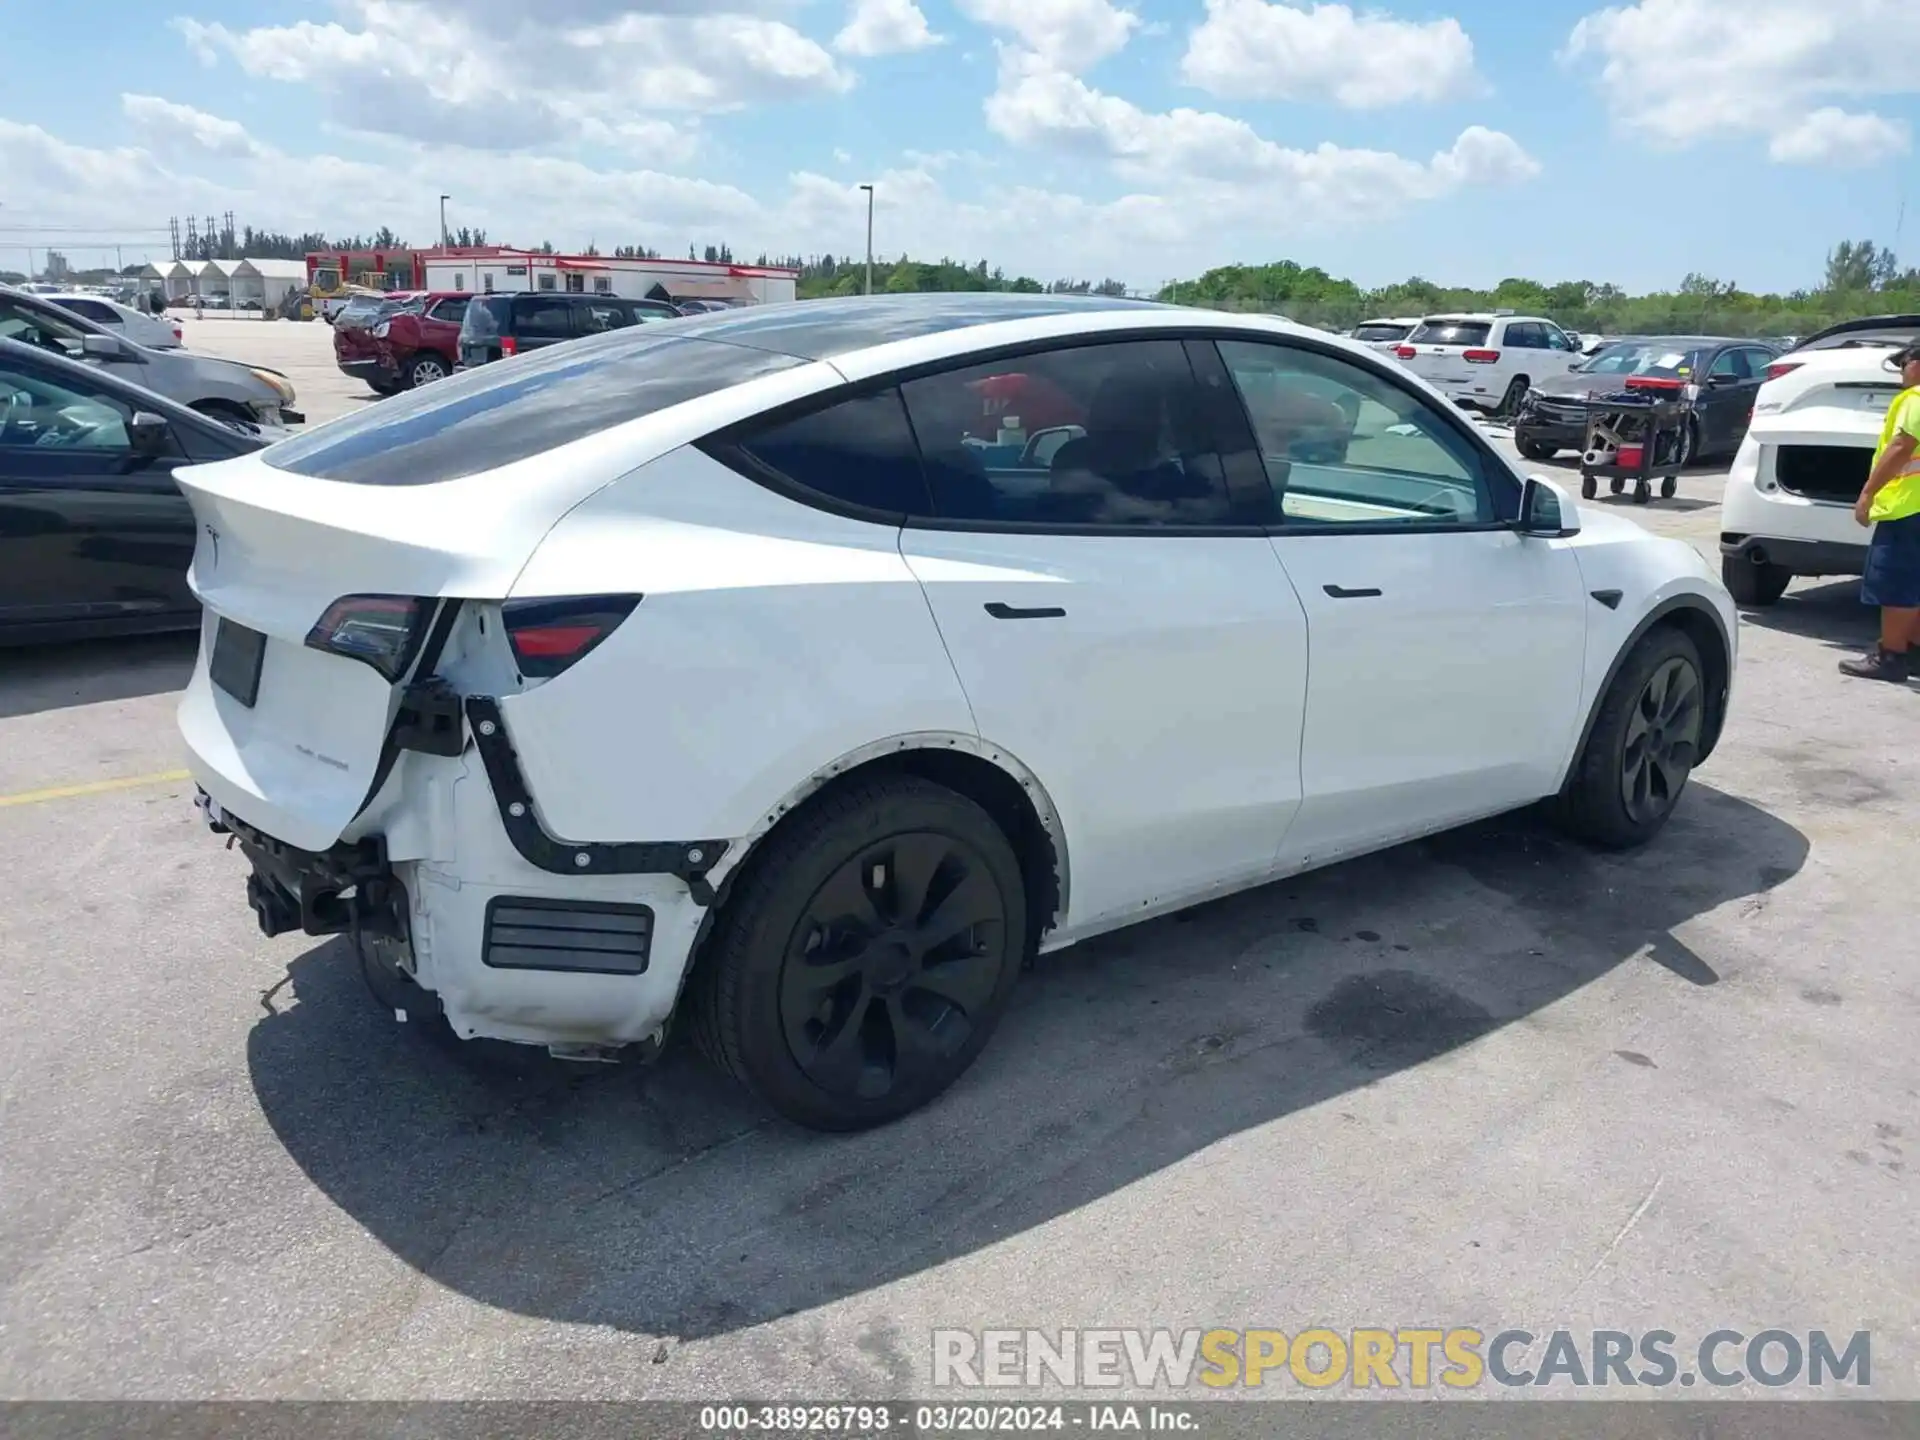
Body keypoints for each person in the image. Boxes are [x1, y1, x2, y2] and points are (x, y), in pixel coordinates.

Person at [1841, 341, 1920, 681]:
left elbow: (1903, 446)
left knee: (1896, 585)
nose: (1902, 372)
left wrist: (1868, 492)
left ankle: (1890, 658)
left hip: (1907, 508)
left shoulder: (1915, 400)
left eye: (1904, 363)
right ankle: (1912, 651)